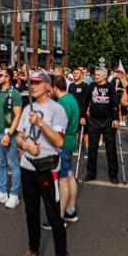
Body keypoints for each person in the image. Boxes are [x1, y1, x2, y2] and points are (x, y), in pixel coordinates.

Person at [12, 72, 70, 256]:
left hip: (47, 169)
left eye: (37, 83)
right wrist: (25, 145)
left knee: (53, 216)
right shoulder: (28, 108)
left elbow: (59, 142)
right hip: (27, 167)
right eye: (31, 82)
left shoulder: (57, 110)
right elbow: (19, 137)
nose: (32, 85)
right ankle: (34, 253)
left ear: (48, 86)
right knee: (31, 213)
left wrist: (41, 124)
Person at [0, 66, 23, 209]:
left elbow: (17, 116)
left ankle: (14, 194)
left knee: (13, 164)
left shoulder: (14, 94)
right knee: (1, 164)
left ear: (8, 78)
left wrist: (9, 134)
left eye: (1, 75)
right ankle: (2, 192)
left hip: (8, 134)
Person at [51, 74, 81, 225]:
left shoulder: (63, 102)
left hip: (63, 142)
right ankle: (70, 209)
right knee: (69, 175)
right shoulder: (71, 98)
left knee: (62, 179)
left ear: (55, 88)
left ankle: (60, 215)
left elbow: (61, 124)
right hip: (70, 140)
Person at [83, 67, 120, 183]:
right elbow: (85, 102)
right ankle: (90, 173)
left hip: (108, 121)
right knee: (92, 148)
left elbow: (115, 103)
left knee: (111, 149)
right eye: (96, 75)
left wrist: (115, 119)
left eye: (99, 75)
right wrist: (82, 116)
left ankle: (113, 174)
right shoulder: (92, 86)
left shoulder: (110, 87)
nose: (96, 77)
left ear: (105, 76)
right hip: (94, 120)